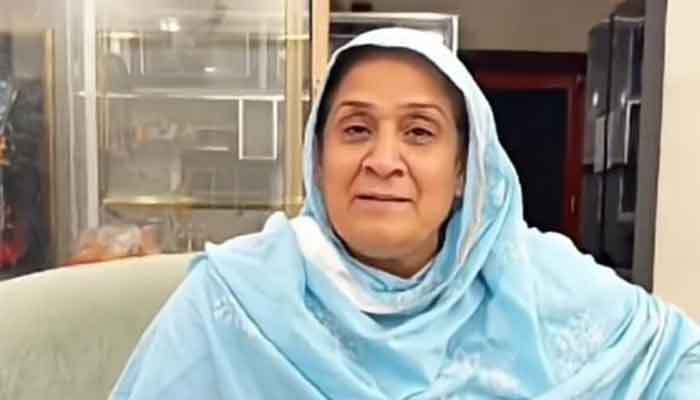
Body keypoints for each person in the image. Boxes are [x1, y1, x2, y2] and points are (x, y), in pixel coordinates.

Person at [110, 28, 700, 399]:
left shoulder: (536, 281)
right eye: (356, 129)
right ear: (318, 158)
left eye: (419, 132)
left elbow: (680, 360)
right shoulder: (236, 300)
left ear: (465, 170)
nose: (383, 161)